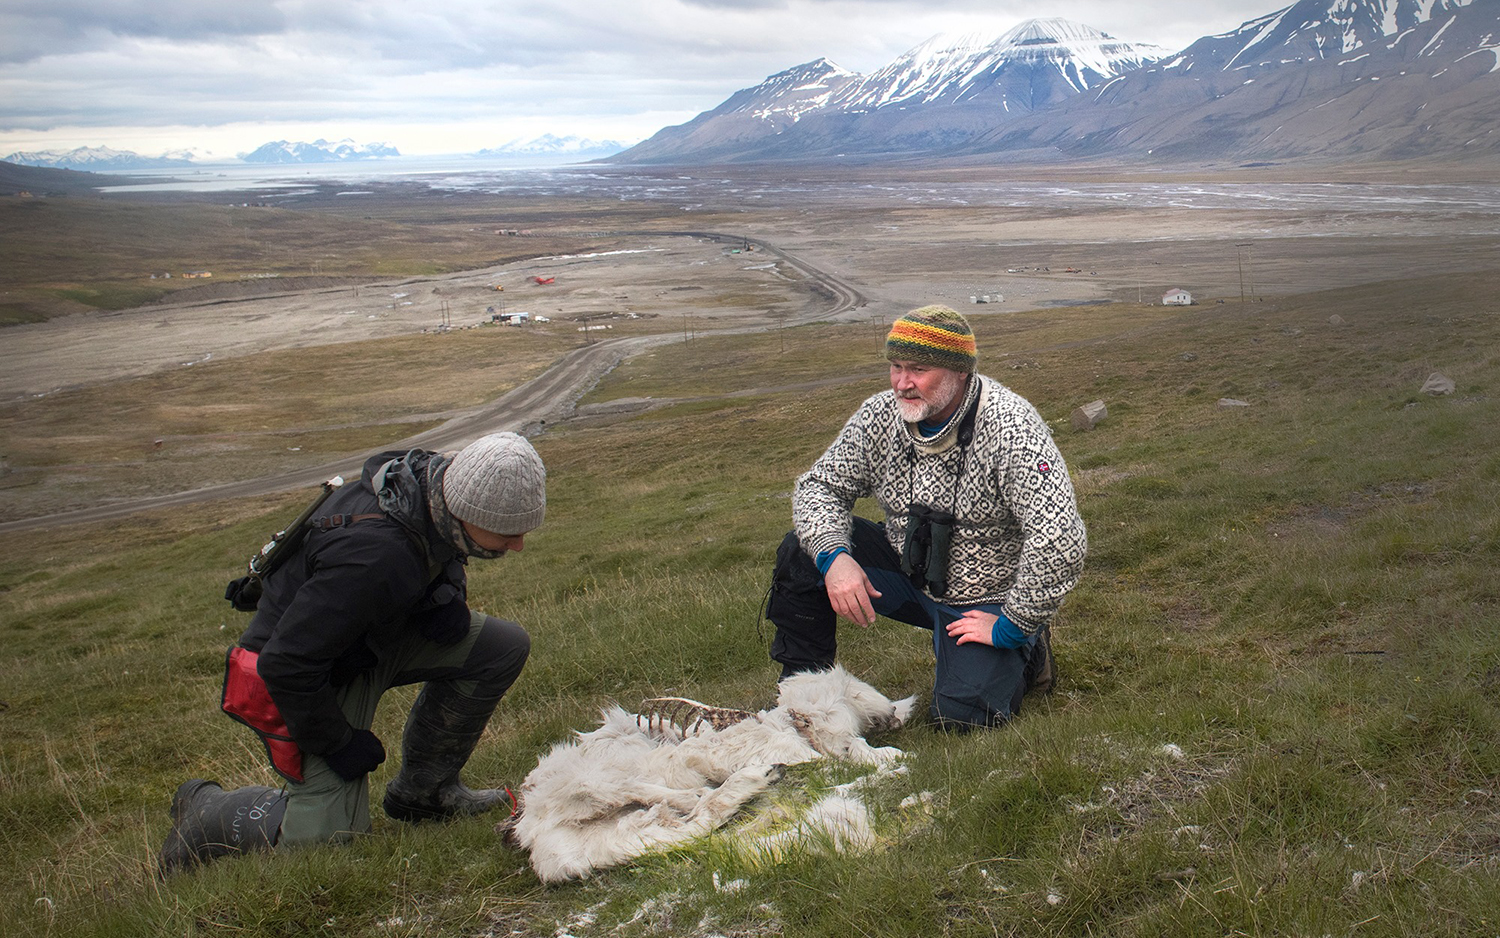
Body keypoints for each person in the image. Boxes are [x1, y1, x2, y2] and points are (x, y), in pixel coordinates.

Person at [159, 431, 544, 873]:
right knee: (327, 843)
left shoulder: (436, 480)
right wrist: (338, 743)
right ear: (464, 513)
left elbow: (441, 545)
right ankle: (206, 812)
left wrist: (444, 595)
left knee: (502, 647)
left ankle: (424, 794)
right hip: (311, 673)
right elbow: (286, 663)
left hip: (366, 639)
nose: (518, 545)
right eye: (508, 532)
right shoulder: (375, 556)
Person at [765, 305, 1087, 728]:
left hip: (984, 601)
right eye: (895, 367)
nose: (902, 383)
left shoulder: (1010, 427)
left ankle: (1028, 650)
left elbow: (1060, 535)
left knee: (962, 721)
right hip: (909, 574)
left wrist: (1013, 623)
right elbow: (819, 487)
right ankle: (803, 695)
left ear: (960, 372)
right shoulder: (880, 416)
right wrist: (834, 557)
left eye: (918, 369)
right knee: (801, 552)